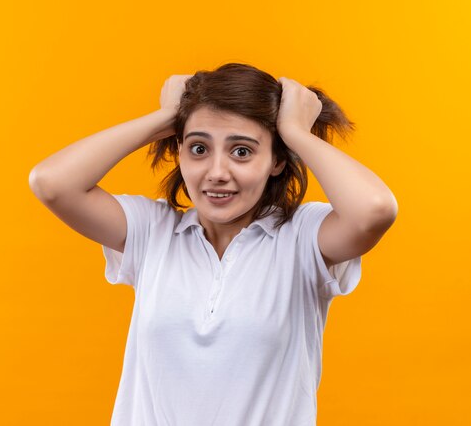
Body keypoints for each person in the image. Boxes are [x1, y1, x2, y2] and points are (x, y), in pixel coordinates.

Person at [29, 63, 398, 425]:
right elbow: (51, 182)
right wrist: (168, 117)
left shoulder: (301, 238)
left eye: (242, 151)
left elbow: (374, 210)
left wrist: (295, 132)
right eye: (199, 149)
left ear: (277, 161)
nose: (217, 173)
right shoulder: (153, 230)